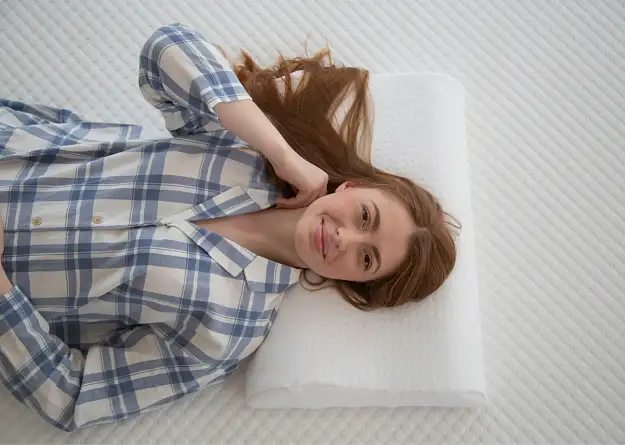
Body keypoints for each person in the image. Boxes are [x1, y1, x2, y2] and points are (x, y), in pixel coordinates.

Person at [0, 23, 459, 431]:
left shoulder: (231, 330)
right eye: (365, 217)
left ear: (357, 281)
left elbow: (72, 395)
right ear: (352, 188)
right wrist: (281, 153)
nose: (345, 238)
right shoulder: (244, 152)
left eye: (367, 257)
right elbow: (165, 49)